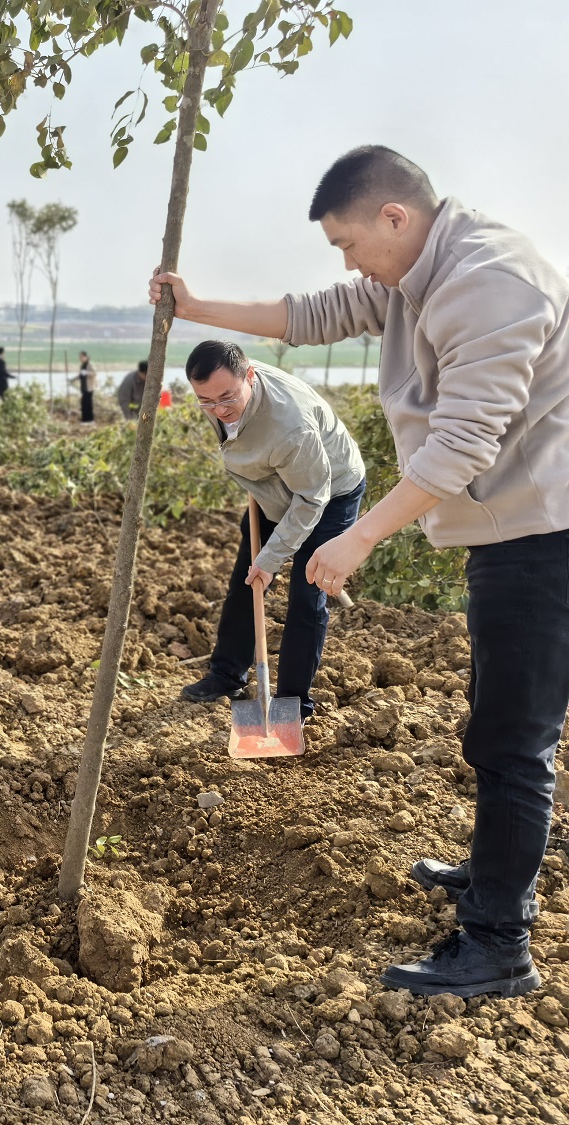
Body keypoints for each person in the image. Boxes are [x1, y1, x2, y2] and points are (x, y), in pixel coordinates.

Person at [151, 145, 569, 1000]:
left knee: (513, 739)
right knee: (494, 717)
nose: (347, 264)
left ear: (394, 218)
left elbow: (463, 443)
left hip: (547, 536)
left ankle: (499, 942)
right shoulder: (414, 271)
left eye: (348, 243)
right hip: (510, 530)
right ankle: (494, 873)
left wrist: (359, 537)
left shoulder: (490, 281)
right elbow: (314, 314)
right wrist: (195, 306)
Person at [177, 340, 365, 722]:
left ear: (250, 376)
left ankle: (292, 704)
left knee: (307, 592)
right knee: (248, 577)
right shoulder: (221, 388)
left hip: (328, 492)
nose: (219, 410)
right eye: (206, 401)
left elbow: (312, 498)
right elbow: (232, 425)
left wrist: (272, 558)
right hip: (273, 482)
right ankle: (227, 675)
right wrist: (262, 560)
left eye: (227, 398)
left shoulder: (290, 426)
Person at [77, 351, 97, 423]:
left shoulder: (90, 364)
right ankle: (84, 419)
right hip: (83, 387)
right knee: (83, 404)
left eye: (82, 357)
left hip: (89, 387)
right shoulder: (82, 365)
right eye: (80, 357)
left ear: (86, 357)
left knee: (88, 404)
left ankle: (90, 420)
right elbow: (80, 375)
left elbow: (94, 373)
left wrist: (86, 373)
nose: (81, 358)